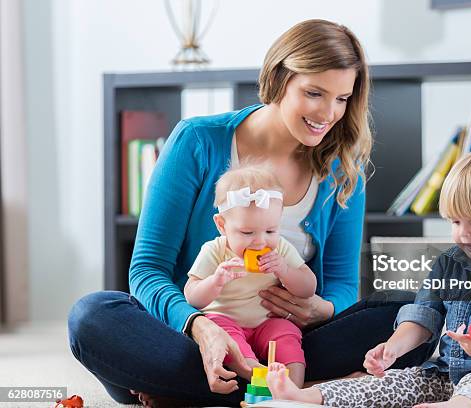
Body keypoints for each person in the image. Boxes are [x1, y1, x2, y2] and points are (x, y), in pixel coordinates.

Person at [68, 19, 435, 407]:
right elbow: (147, 269)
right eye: (314, 93)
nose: (329, 113)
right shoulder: (198, 141)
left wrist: (318, 309)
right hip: (195, 335)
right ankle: (307, 389)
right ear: (279, 79)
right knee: (92, 317)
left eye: (343, 98)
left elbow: (343, 286)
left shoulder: (343, 169)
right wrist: (198, 326)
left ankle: (188, 391)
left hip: (291, 342)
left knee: (411, 315)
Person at [265, 149, 471, 408]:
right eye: (455, 221)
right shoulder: (450, 263)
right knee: (389, 382)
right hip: (449, 374)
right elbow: (424, 316)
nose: (462, 233)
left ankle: (458, 405)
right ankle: (307, 396)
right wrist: (392, 348)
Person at [184, 163, 316, 387]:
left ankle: (294, 388)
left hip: (267, 322)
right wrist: (216, 281)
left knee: (287, 334)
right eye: (247, 232)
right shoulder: (215, 250)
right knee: (227, 339)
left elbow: (308, 288)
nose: (260, 241)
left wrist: (284, 270)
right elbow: (192, 296)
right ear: (222, 226)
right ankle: (257, 375)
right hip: (225, 320)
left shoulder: (280, 249)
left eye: (270, 231)